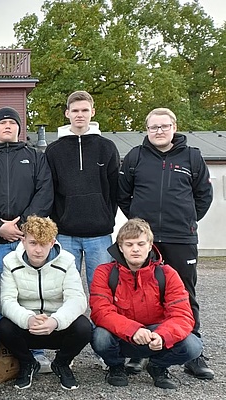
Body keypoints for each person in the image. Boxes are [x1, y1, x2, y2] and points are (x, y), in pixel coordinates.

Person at [117, 107, 214, 379]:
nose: (158, 131)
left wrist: (186, 220)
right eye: (153, 127)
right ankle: (138, 353)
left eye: (164, 126)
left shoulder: (192, 157)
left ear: (174, 127)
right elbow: (123, 195)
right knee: (139, 294)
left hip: (180, 238)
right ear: (146, 129)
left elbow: (203, 196)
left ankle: (193, 353)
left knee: (184, 293)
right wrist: (140, 228)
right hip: (145, 240)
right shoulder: (135, 157)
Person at [0, 107, 54, 373]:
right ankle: (0, 350)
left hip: (26, 242)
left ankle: (36, 351)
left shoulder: (35, 158)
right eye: (2, 122)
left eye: (12, 122)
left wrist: (25, 226)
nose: (7, 126)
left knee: (29, 295)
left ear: (19, 128)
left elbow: (44, 192)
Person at [90, 218, 203, 389]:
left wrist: (163, 335)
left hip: (155, 337)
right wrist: (132, 330)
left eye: (141, 244)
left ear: (150, 245)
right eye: (129, 244)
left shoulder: (167, 274)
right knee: (100, 336)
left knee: (194, 346)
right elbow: (100, 311)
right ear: (120, 247)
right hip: (122, 336)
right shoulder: (104, 272)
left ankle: (158, 366)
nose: (135, 249)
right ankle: (116, 366)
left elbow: (183, 315)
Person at [0, 215, 91, 390]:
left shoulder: (67, 260)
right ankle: (27, 362)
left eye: (44, 244)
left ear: (52, 242)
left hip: (57, 325)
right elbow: (6, 301)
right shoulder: (10, 261)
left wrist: (56, 320)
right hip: (28, 326)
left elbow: (77, 298)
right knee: (3, 326)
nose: (38, 250)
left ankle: (62, 363)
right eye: (33, 243)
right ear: (23, 241)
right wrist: (28, 319)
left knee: (84, 327)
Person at [44, 90, 120, 290]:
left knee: (102, 288)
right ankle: (71, 323)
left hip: (100, 234)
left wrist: (105, 216)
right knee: (66, 288)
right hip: (65, 233)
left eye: (84, 110)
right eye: (75, 110)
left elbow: (114, 190)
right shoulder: (54, 150)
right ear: (67, 113)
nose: (80, 114)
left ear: (92, 112)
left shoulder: (107, 147)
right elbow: (49, 190)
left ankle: (102, 322)